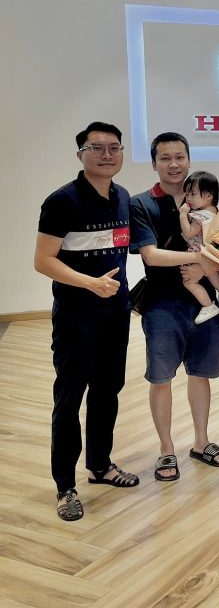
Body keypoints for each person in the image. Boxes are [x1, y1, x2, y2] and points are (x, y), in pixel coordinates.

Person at [34, 122, 139, 522]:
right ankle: (65, 486)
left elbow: (119, 249)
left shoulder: (122, 197)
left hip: (115, 315)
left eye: (114, 147)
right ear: (81, 154)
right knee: (70, 397)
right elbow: (43, 260)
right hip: (76, 317)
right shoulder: (61, 201)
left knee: (108, 390)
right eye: (97, 148)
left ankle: (100, 465)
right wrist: (89, 283)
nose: (107, 154)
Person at [129, 132, 219, 482]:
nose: (174, 164)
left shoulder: (208, 202)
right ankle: (166, 448)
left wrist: (210, 266)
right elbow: (151, 256)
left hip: (204, 304)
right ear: (154, 163)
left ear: (188, 159)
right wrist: (200, 258)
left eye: (179, 157)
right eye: (165, 158)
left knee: (201, 374)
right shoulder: (141, 204)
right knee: (161, 378)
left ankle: (201, 441)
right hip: (162, 305)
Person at [178, 170, 219, 325]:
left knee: (189, 282)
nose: (188, 198)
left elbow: (189, 233)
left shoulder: (199, 216)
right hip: (213, 254)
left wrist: (182, 215)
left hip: (200, 254)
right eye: (187, 194)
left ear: (209, 195)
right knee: (217, 281)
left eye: (193, 194)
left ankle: (208, 305)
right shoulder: (218, 209)